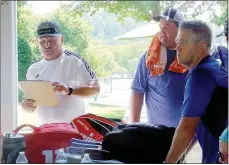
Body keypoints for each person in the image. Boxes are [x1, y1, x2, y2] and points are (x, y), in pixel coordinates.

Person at [165, 20, 228, 164]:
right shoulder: (215, 67)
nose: (177, 46)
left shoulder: (200, 75)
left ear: (201, 47)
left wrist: (168, 162)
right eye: (177, 41)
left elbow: (187, 127)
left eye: (183, 41)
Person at [21, 21, 100, 126]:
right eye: (42, 41)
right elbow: (33, 104)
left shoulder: (75, 61)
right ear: (37, 43)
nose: (47, 45)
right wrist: (28, 106)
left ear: (61, 39)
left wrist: (68, 90)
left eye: (51, 40)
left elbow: (95, 89)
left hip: (75, 131)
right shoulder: (33, 69)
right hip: (45, 130)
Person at [130, 8, 188, 128]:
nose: (161, 30)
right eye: (160, 26)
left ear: (181, 29)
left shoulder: (193, 57)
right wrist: (134, 125)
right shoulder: (149, 57)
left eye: (167, 26)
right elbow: (137, 91)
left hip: (186, 134)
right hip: (156, 133)